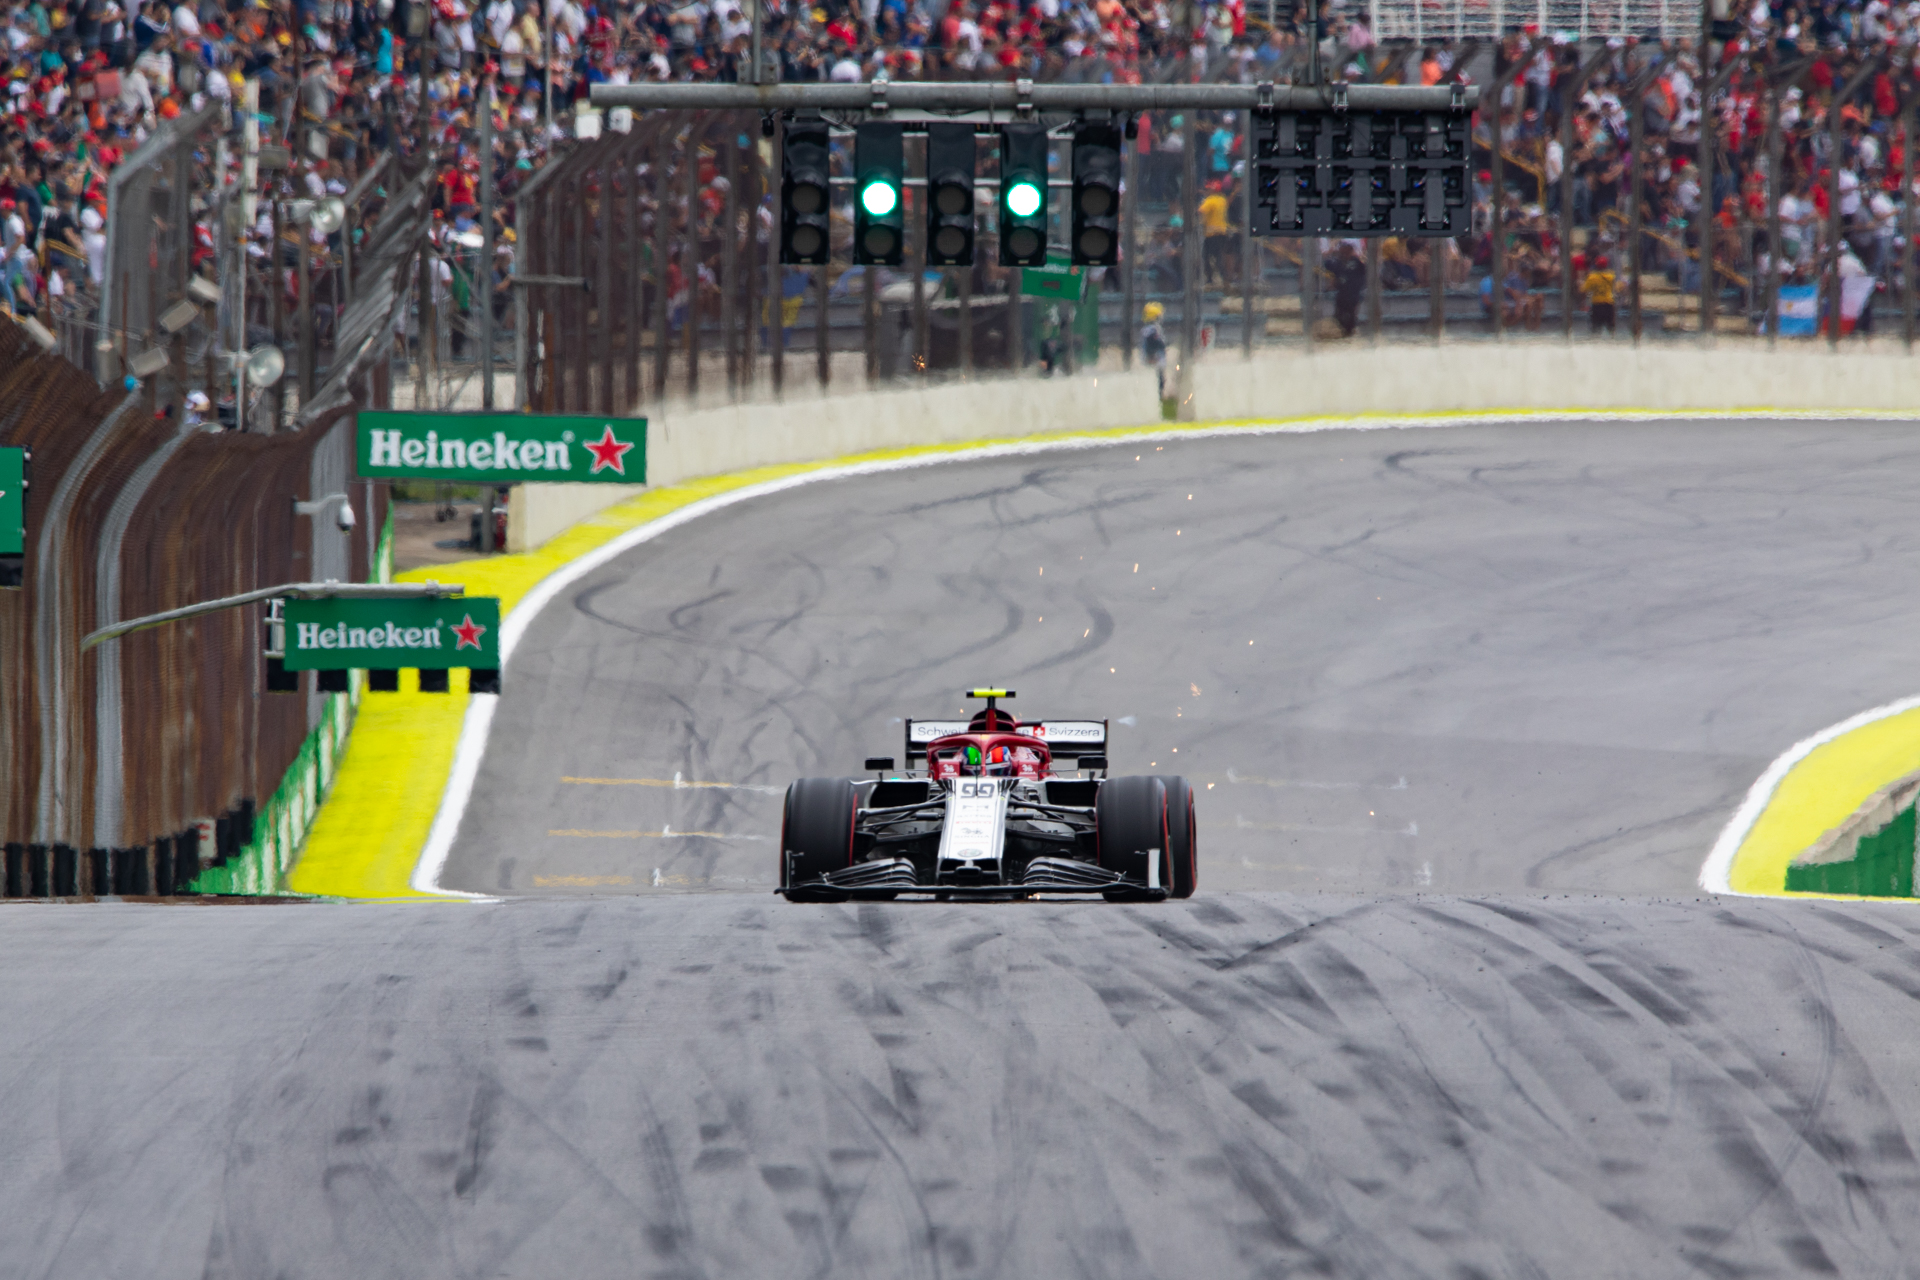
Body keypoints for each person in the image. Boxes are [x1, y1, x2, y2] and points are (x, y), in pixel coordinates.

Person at [1328, 240, 1367, 336]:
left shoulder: (1356, 262)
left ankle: (1350, 330)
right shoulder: (1336, 262)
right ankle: (1340, 329)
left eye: (1347, 250)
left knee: (1351, 313)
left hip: (1353, 293)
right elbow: (1331, 271)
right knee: (1340, 312)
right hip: (1341, 293)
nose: (1344, 253)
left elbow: (1363, 273)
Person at [1139, 300, 1168, 398]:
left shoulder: (1148, 329)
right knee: (1158, 380)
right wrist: (1152, 356)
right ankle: (1159, 395)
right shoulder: (1152, 330)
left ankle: (1160, 394)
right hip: (1155, 359)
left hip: (1154, 358)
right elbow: (1153, 344)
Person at [1583, 254, 1616, 333]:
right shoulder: (1611, 276)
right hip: (1608, 304)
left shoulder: (1592, 277)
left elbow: (1585, 289)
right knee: (1611, 329)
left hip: (1597, 305)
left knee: (1596, 329)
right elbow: (1617, 287)